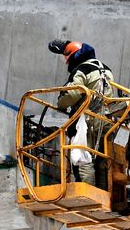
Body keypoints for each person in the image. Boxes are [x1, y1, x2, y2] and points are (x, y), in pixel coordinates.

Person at [48, 39, 114, 186]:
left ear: (74, 55)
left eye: (67, 57)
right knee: (101, 161)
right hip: (107, 120)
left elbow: (71, 94)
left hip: (87, 121)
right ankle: (103, 194)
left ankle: (87, 193)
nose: (66, 62)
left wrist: (61, 103)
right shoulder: (106, 69)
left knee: (83, 159)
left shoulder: (81, 69)